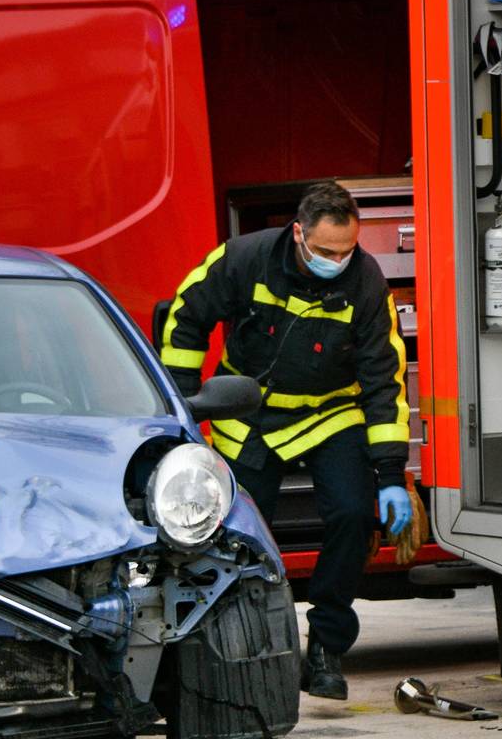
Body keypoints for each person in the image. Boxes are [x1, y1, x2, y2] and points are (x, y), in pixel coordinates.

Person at [159, 180, 412, 701]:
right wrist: (182, 414)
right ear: (298, 234)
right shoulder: (245, 258)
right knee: (237, 537)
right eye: (324, 251)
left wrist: (390, 475)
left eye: (346, 251)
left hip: (329, 413)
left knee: (353, 514)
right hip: (247, 412)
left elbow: (385, 377)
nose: (336, 261)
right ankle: (245, 648)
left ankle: (326, 648)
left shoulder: (365, 282)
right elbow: (185, 319)